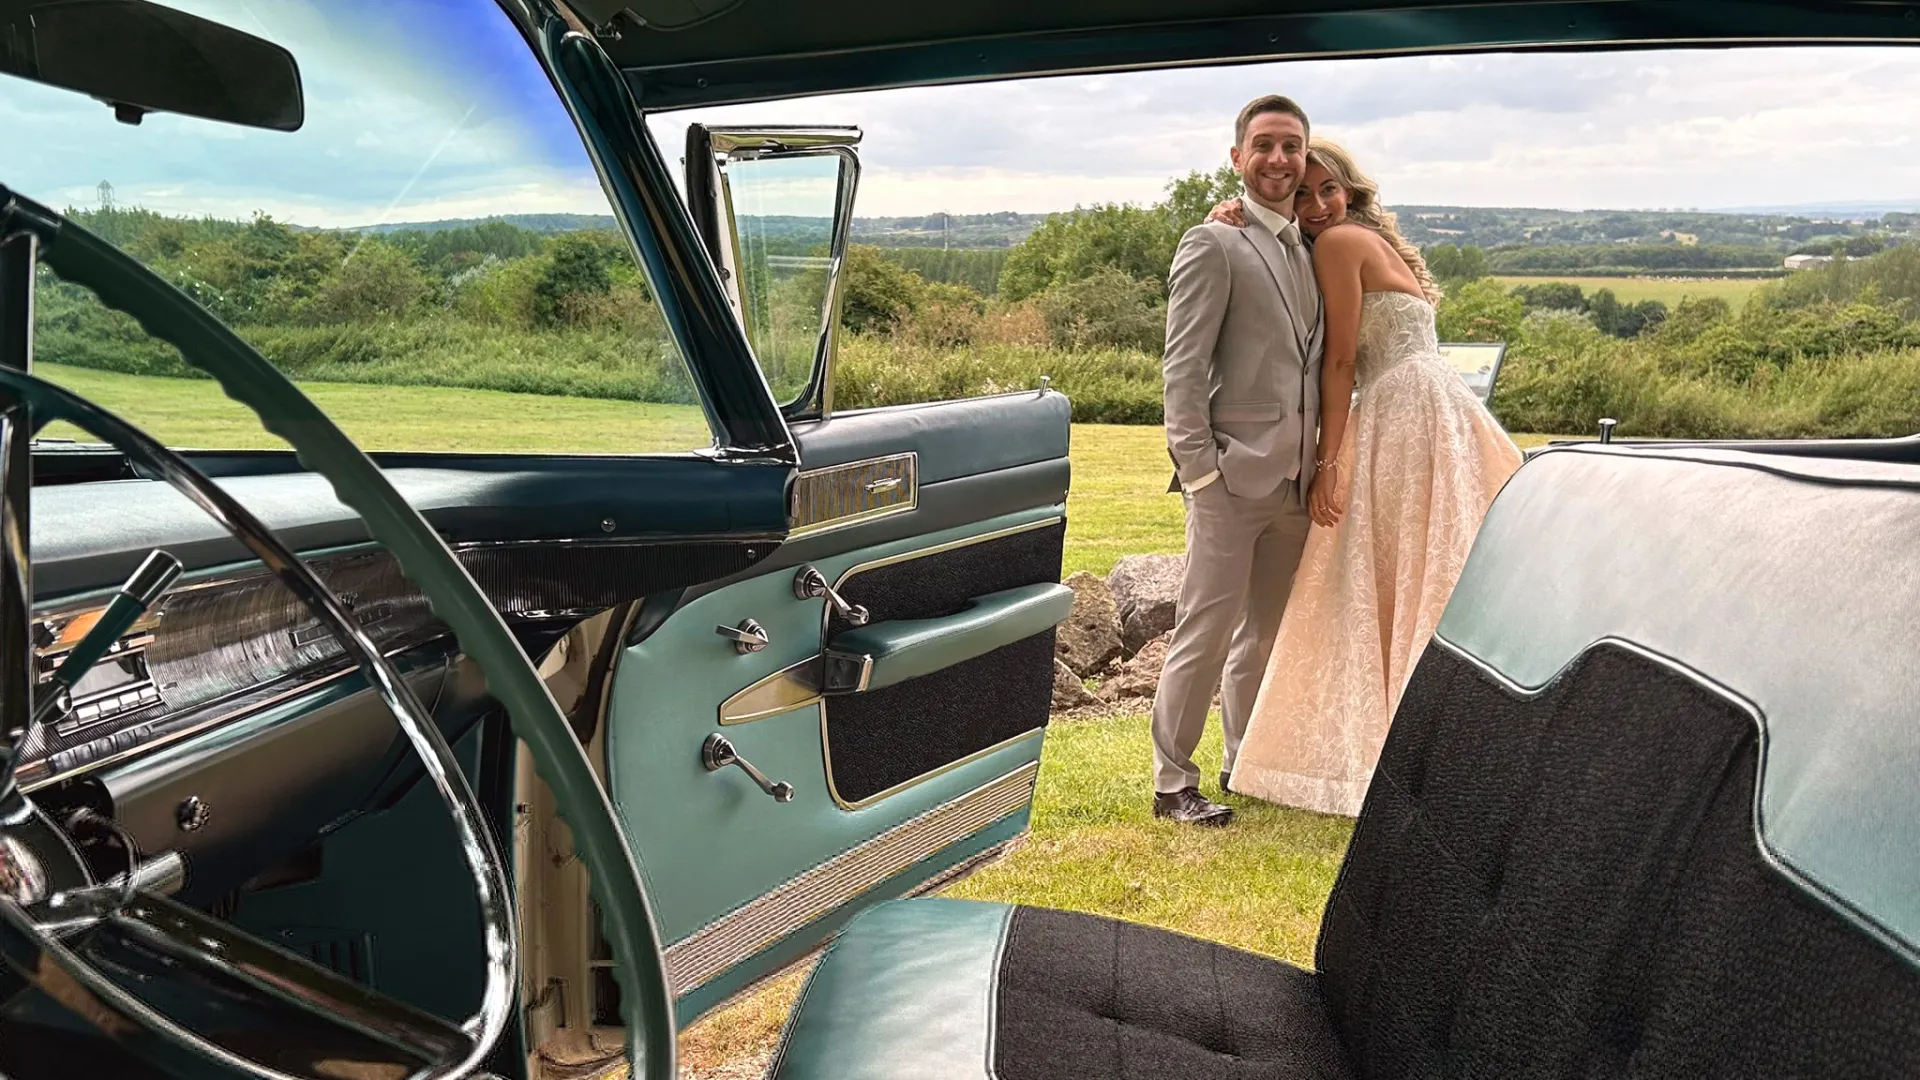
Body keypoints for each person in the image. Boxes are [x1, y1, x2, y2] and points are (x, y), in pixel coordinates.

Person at [1213, 140, 1524, 817]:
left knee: (1376, 572)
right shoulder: (1362, 242)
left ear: (1351, 191)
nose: (1319, 204)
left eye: (1331, 189)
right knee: (1420, 569)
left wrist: (1330, 461)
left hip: (1399, 411)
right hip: (1436, 405)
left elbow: (1341, 362)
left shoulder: (1338, 244)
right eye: (1303, 194)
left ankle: (1395, 746)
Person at [1149, 95, 1324, 826]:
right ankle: (1171, 784)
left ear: (1306, 157)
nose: (1278, 159)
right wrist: (1200, 472)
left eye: (1291, 147)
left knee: (1264, 635)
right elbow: (1181, 371)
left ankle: (1241, 763)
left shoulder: (1316, 245)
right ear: (1237, 158)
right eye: (1264, 145)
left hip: (1298, 479)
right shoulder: (1212, 242)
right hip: (1228, 477)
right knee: (1206, 629)